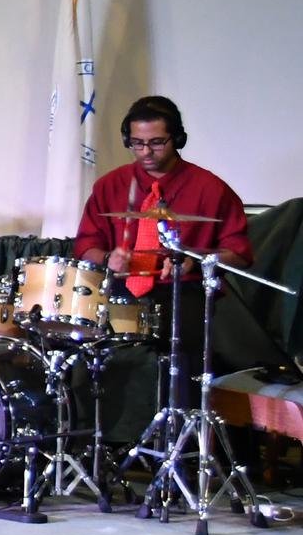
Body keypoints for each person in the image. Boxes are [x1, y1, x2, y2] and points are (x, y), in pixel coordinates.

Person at [74, 95, 253, 397]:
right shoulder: (109, 186)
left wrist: (195, 261)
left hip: (182, 292)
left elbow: (239, 253)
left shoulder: (211, 189)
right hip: (122, 290)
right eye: (137, 143)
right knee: (89, 347)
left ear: (178, 138)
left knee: (186, 347)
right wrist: (107, 258)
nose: (146, 151)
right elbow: (85, 245)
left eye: (157, 143)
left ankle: (182, 416)